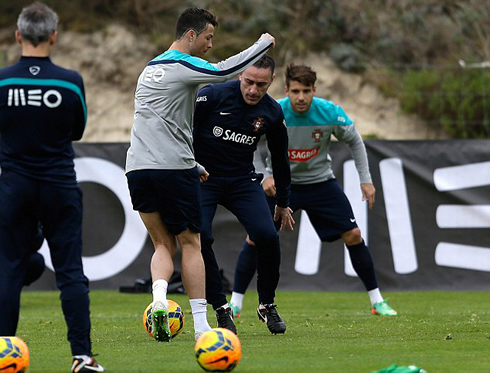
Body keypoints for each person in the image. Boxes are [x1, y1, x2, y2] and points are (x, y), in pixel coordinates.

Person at [125, 7, 276, 342]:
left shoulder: (150, 68)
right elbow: (227, 72)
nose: (210, 44)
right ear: (191, 35)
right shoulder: (183, 64)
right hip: (171, 169)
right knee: (191, 242)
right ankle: (201, 325)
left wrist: (193, 163)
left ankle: (160, 300)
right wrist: (262, 44)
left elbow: (159, 123)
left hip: (137, 167)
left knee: (162, 244)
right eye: (208, 37)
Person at [229, 63, 397, 318]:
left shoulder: (329, 113)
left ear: (314, 90)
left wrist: (366, 179)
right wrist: (264, 175)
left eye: (306, 91)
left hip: (320, 183)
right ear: (286, 90)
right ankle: (236, 303)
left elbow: (354, 140)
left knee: (353, 234)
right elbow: (248, 143)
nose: (300, 97)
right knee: (256, 237)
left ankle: (377, 301)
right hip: (283, 186)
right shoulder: (274, 111)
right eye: (295, 91)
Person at [0, 3, 105, 372]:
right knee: (70, 273)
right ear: (54, 36)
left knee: (9, 269)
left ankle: (3, 356)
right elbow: (77, 130)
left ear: (18, 35)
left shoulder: (2, 81)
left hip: (14, 186)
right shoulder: (69, 81)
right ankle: (82, 357)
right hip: (59, 185)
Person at [193, 55, 294, 335]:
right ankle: (221, 309)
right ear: (239, 76)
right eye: (248, 82)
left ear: (271, 82)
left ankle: (267, 305)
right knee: (200, 236)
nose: (253, 90)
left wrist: (283, 202)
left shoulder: (272, 112)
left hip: (241, 180)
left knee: (267, 235)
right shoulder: (211, 95)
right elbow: (181, 133)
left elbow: (280, 159)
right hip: (204, 178)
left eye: (261, 85)